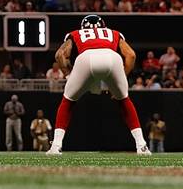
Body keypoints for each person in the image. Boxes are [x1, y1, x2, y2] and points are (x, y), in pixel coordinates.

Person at [47, 15, 150, 155]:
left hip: (85, 57)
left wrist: (67, 75)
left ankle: (56, 146)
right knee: (124, 100)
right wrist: (120, 80)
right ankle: (142, 146)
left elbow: (60, 55)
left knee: (68, 100)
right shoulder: (114, 33)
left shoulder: (75, 34)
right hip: (112, 57)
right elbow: (131, 55)